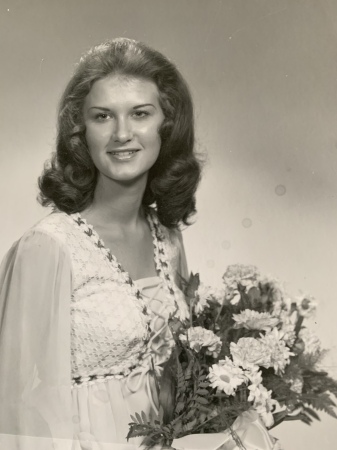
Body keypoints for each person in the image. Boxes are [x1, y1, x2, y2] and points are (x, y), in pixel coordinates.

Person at [0, 38, 201, 450]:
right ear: (81, 131)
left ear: (167, 124)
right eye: (102, 116)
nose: (122, 133)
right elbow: (17, 410)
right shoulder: (48, 247)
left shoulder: (170, 238)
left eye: (140, 114)